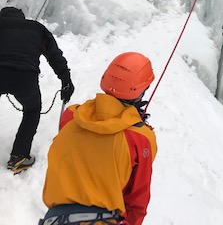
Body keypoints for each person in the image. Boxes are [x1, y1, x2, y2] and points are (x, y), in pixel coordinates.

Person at [41, 52, 157, 225]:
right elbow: (137, 199)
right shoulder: (140, 137)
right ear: (141, 91)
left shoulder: (71, 116)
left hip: (55, 219)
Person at [0, 6, 74, 174]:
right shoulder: (37, 28)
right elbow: (54, 56)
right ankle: (19, 156)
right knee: (32, 110)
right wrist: (65, 80)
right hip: (25, 78)